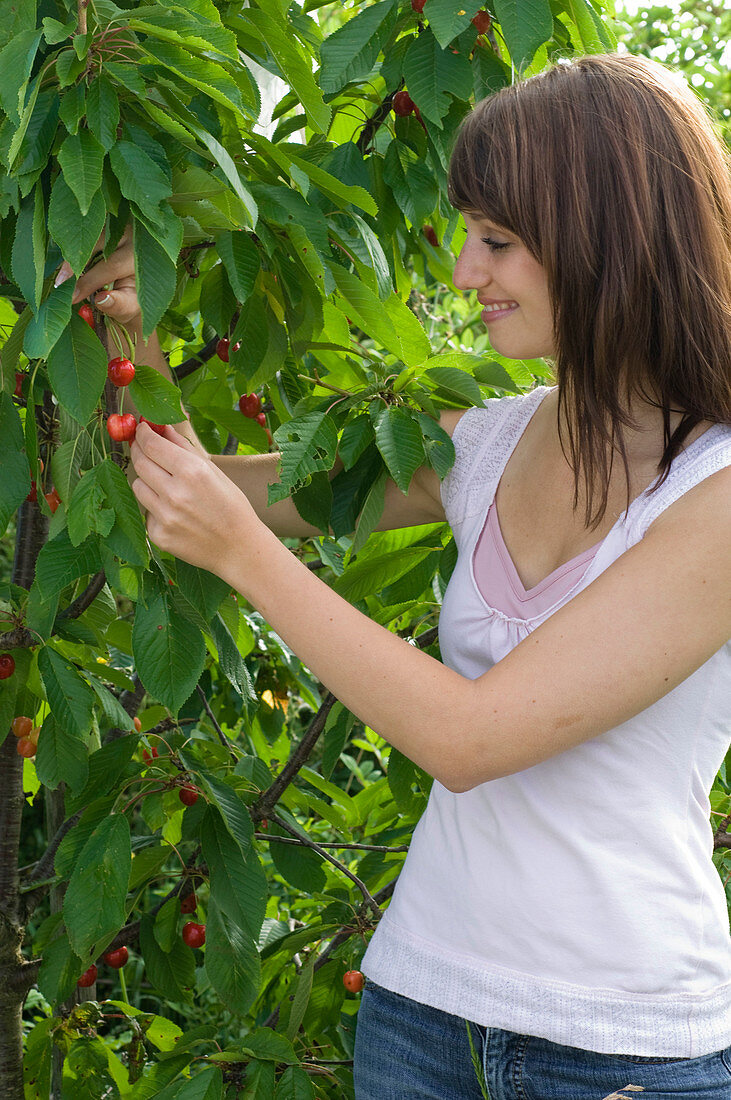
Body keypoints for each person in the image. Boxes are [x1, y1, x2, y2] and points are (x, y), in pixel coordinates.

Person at [64, 51, 731, 1100]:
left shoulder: (717, 498)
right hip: (420, 1018)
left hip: (616, 1052)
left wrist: (243, 554)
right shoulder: (491, 442)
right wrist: (130, 334)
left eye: (497, 241)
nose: (466, 272)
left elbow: (471, 737)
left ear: (609, 239)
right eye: (469, 235)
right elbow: (213, 488)